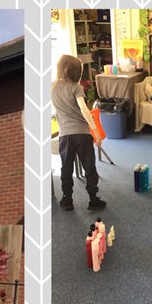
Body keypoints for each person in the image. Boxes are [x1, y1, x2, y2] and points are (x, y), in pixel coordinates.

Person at [52, 55, 106, 212]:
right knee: (89, 167)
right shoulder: (76, 87)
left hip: (65, 136)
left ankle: (67, 199)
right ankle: (93, 200)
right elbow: (83, 109)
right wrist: (95, 130)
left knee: (66, 169)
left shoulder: (52, 87)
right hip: (82, 134)